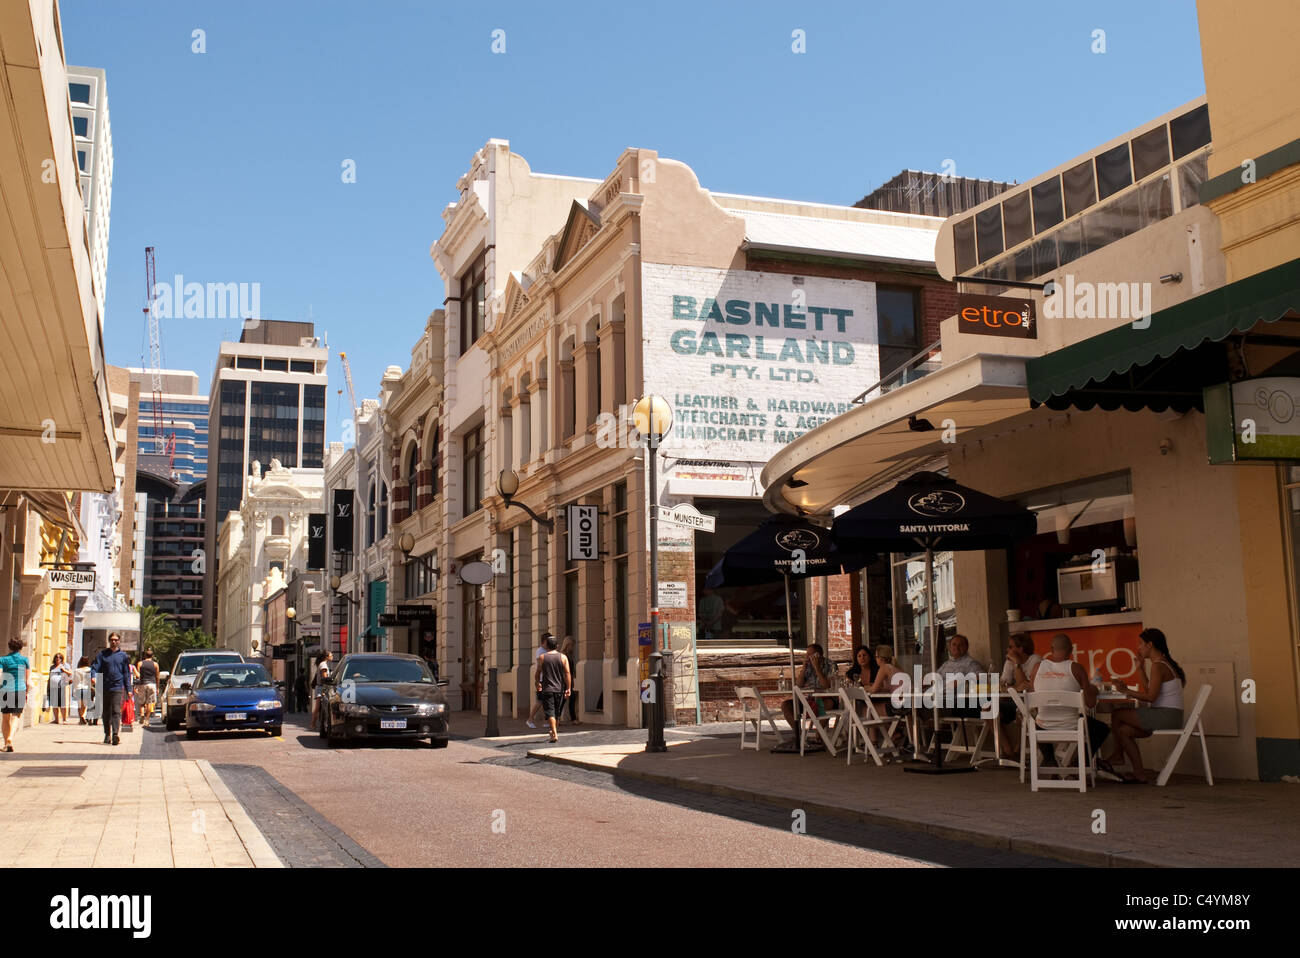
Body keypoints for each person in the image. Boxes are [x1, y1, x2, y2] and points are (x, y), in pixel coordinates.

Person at [1100, 628, 1185, 784]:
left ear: (1150, 645)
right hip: (1169, 716)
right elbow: (1148, 690)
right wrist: (1139, 668)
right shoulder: (1162, 663)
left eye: (1140, 644)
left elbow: (1151, 697)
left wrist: (1125, 691)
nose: (1138, 647)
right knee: (1124, 731)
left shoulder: (1158, 665)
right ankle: (1139, 774)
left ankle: (1118, 756)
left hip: (1166, 716)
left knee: (1117, 715)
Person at [1029, 633, 1110, 770]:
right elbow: (1090, 703)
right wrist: (1093, 689)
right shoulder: (1076, 668)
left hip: (1043, 724)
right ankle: (1080, 763)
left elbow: (1033, 697)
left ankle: (1049, 759)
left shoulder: (1037, 668)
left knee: (1037, 720)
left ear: (1051, 648)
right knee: (1101, 729)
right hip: (1071, 724)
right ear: (1071, 650)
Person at [993, 634, 1041, 760]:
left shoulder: (1035, 660)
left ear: (1020, 648)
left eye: (1010, 647)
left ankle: (1019, 749)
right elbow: (1003, 686)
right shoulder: (1009, 662)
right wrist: (1015, 688)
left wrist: (1018, 665)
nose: (1007, 650)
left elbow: (1027, 688)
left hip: (1031, 703)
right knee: (988, 710)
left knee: (1020, 712)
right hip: (1013, 700)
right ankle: (1008, 750)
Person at [780, 643, 832, 747]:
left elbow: (826, 685)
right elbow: (798, 685)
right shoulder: (807, 666)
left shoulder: (830, 665)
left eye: (810, 655)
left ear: (819, 655)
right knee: (786, 705)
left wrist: (817, 668)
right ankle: (799, 734)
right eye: (806, 655)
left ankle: (819, 734)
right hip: (808, 699)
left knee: (829, 704)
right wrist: (803, 669)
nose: (807, 658)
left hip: (824, 698)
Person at [90, 633, 133, 746]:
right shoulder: (103, 654)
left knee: (116, 710)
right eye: (112, 640)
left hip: (118, 687)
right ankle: (107, 734)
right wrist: (93, 676)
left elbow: (126, 673)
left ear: (119, 641)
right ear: (109, 641)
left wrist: (129, 689)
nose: (113, 642)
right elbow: (95, 667)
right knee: (106, 712)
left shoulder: (123, 656)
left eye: (116, 640)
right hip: (105, 686)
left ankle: (115, 734)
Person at [535, 634, 571, 744]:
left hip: (547, 689)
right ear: (556, 645)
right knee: (557, 712)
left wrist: (537, 683)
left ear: (547, 645)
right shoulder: (563, 657)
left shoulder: (542, 657)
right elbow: (567, 673)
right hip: (559, 688)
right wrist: (568, 688)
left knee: (550, 712)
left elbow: (537, 673)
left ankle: (553, 732)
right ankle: (554, 731)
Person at [0, 638, 33, 752]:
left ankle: (5, 743)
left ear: (9, 647)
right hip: (20, 690)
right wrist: (26, 692)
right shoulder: (24, 660)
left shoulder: (3, 660)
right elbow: (28, 680)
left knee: (5, 718)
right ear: (20, 648)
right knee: (16, 716)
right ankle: (10, 738)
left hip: (5, 690)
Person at [526, 633, 552, 729]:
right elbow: (541, 665)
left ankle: (546, 721)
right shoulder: (540, 651)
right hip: (542, 679)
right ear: (545, 641)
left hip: (546, 679)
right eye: (549, 641)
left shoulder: (546, 650)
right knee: (540, 701)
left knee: (546, 700)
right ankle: (530, 719)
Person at [559, 636, 580, 726]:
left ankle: (572, 719)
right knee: (564, 699)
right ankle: (559, 718)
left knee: (570, 699)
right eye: (572, 645)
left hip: (569, 679)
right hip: (565, 680)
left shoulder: (569, 655)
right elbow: (563, 670)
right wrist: (567, 683)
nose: (572, 648)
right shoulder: (563, 655)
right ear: (567, 645)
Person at [46, 653, 73, 724]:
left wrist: (64, 670)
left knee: (62, 704)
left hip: (61, 687)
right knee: (54, 704)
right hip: (52, 687)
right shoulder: (52, 667)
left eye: (60, 657)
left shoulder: (64, 666)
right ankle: (56, 719)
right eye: (57, 657)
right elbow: (50, 677)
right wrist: (48, 687)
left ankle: (64, 719)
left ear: (62, 659)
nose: (58, 659)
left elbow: (70, 673)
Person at [310, 650, 333, 730]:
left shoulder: (322, 664)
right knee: (318, 707)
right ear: (326, 657)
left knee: (318, 707)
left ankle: (313, 724)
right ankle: (313, 724)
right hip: (321, 688)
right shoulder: (323, 665)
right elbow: (324, 678)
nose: (332, 656)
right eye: (331, 655)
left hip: (320, 688)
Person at [136, 649, 160, 723]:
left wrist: (136, 686)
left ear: (145, 655)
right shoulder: (155, 664)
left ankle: (142, 715)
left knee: (142, 702)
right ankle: (147, 719)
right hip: (152, 684)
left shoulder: (140, 663)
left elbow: (138, 676)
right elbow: (157, 676)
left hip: (143, 684)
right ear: (152, 656)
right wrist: (158, 688)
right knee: (150, 702)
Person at [73, 656, 93, 725]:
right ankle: (83, 717)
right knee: (84, 705)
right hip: (86, 688)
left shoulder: (77, 670)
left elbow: (75, 681)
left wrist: (74, 691)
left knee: (79, 705)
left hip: (78, 688)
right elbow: (90, 681)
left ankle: (81, 718)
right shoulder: (89, 670)